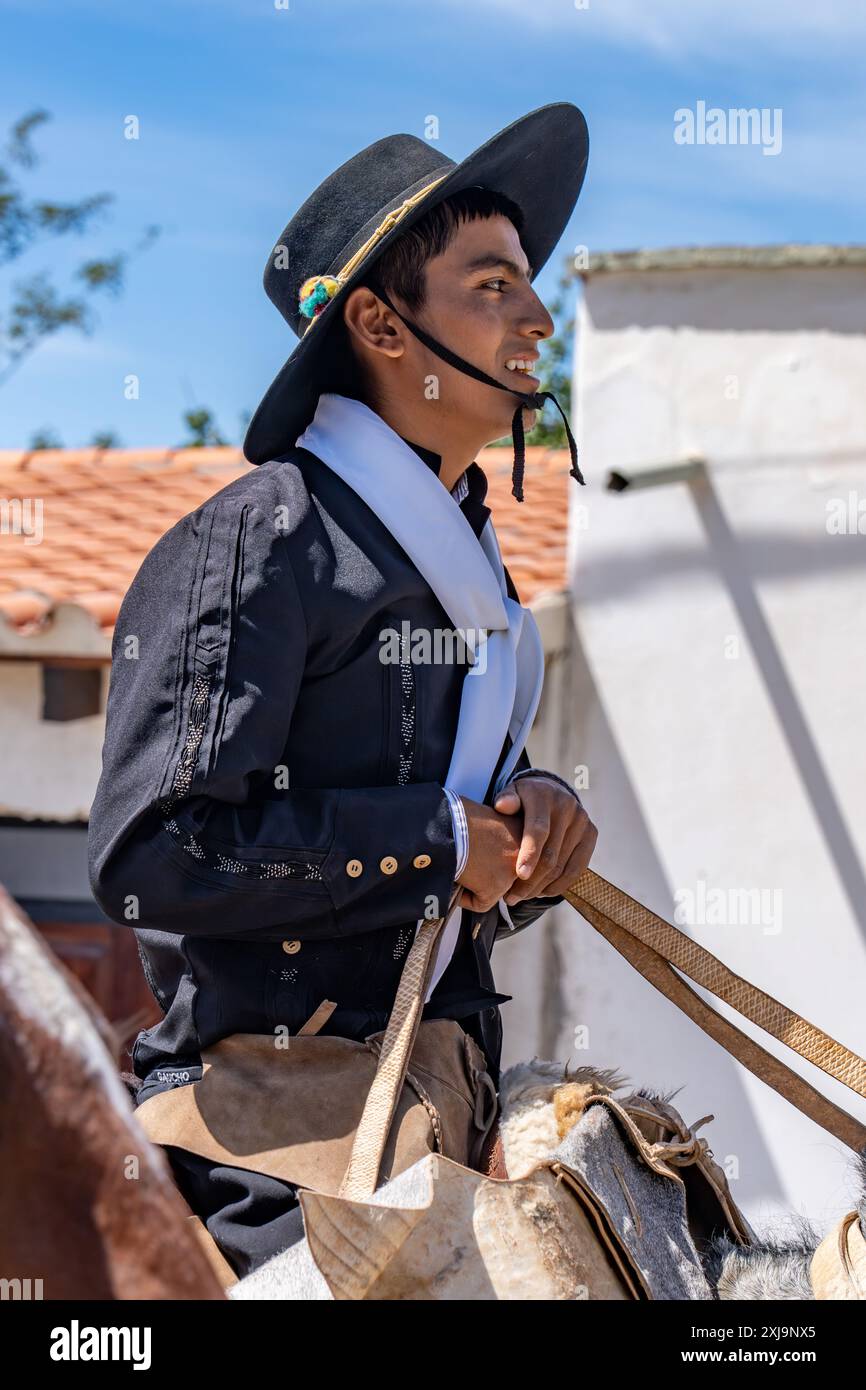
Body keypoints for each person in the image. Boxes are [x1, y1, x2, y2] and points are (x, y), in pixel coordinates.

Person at [87, 102, 598, 1279]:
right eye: (491, 286)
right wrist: (431, 838)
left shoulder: (475, 577)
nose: (534, 317)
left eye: (529, 284)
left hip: (443, 1106)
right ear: (376, 320)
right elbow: (152, 853)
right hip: (265, 1145)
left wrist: (528, 826)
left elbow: (437, 876)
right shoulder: (255, 545)